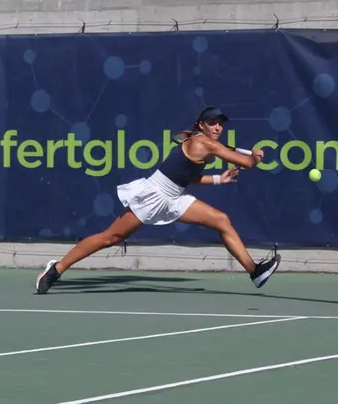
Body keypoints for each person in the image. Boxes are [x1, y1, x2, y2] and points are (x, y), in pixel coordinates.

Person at [35, 105, 281, 295]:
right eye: (212, 123)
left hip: (175, 196)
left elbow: (187, 178)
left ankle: (254, 271)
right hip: (154, 195)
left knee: (221, 220)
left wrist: (218, 179)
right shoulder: (203, 143)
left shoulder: (204, 144)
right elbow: (248, 162)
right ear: (201, 126)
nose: (217, 128)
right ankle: (56, 269)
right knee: (111, 237)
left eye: (220, 125)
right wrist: (257, 156)